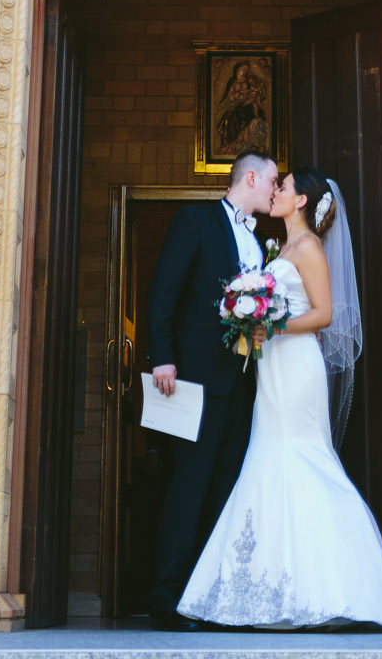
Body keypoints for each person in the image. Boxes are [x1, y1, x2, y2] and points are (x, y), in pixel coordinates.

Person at [178, 169, 382, 629]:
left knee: (304, 457)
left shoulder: (309, 248)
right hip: (272, 369)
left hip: (298, 367)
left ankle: (351, 588)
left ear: (301, 200)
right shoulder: (279, 249)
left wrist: (274, 325)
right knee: (268, 460)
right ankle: (270, 589)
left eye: (282, 187)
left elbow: (323, 314)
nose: (275, 192)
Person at [146, 149, 279, 630]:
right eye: (272, 181)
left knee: (225, 489)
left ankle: (205, 600)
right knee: (189, 488)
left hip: (243, 384)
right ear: (250, 177)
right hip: (197, 381)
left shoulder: (258, 239)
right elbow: (164, 290)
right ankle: (166, 598)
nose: (275, 189)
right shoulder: (195, 221)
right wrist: (161, 355)